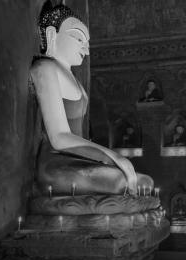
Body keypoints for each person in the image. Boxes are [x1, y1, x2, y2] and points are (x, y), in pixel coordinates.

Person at [31, 4, 152, 196]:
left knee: (145, 183)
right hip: (56, 161)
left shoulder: (76, 82)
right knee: (120, 182)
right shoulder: (45, 68)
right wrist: (112, 156)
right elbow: (59, 138)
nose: (86, 49)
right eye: (78, 37)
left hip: (79, 159)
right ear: (52, 35)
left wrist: (108, 159)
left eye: (87, 42)